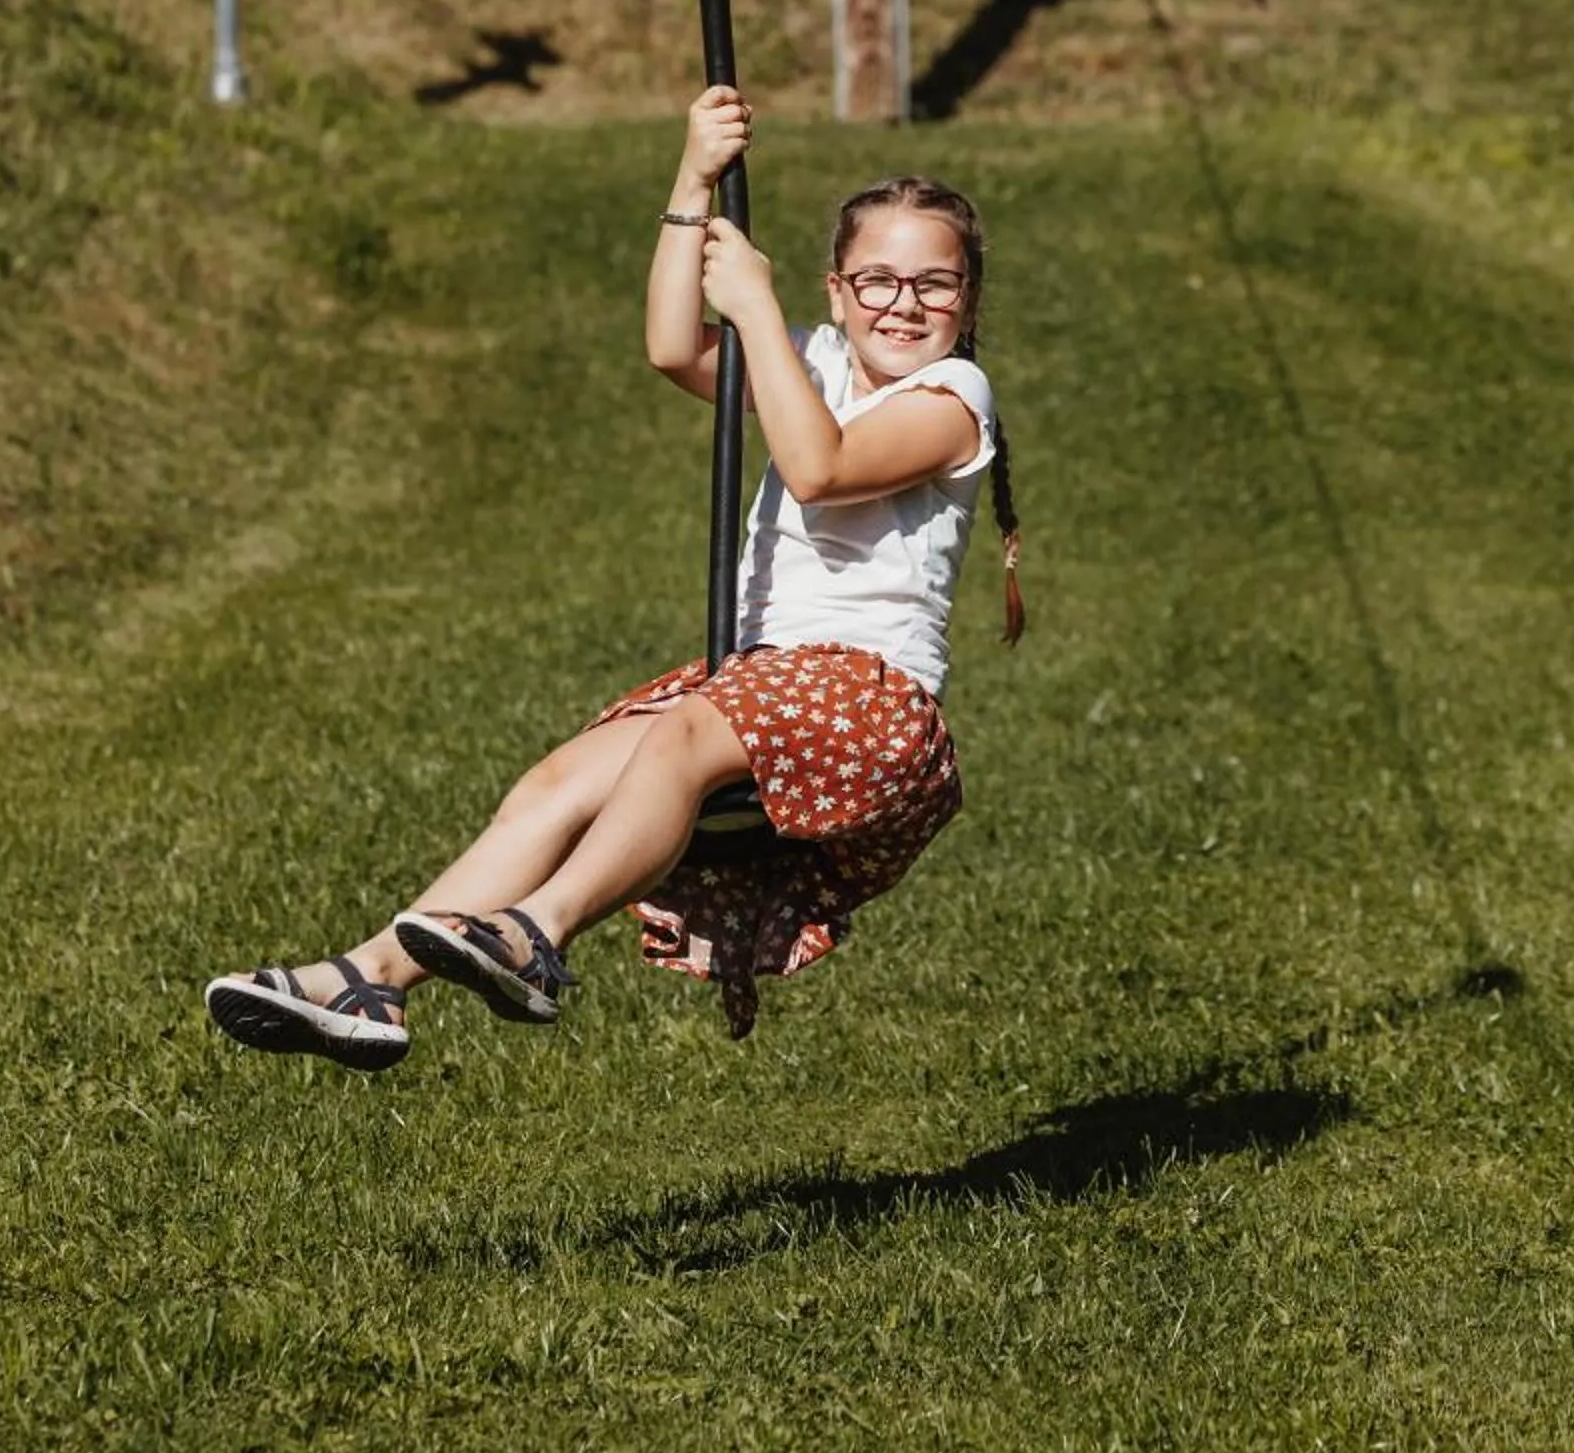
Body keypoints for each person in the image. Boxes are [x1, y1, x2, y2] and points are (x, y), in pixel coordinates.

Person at [205, 85, 1023, 1065]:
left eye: (932, 284)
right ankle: (368, 982)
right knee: (557, 783)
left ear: (967, 297)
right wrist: (693, 178)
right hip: (762, 677)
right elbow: (673, 347)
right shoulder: (810, 358)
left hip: (864, 698)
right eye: (876, 280)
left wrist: (757, 308)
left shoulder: (953, 394)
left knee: (676, 737)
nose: (903, 303)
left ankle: (534, 933)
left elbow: (821, 469)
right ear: (837, 289)